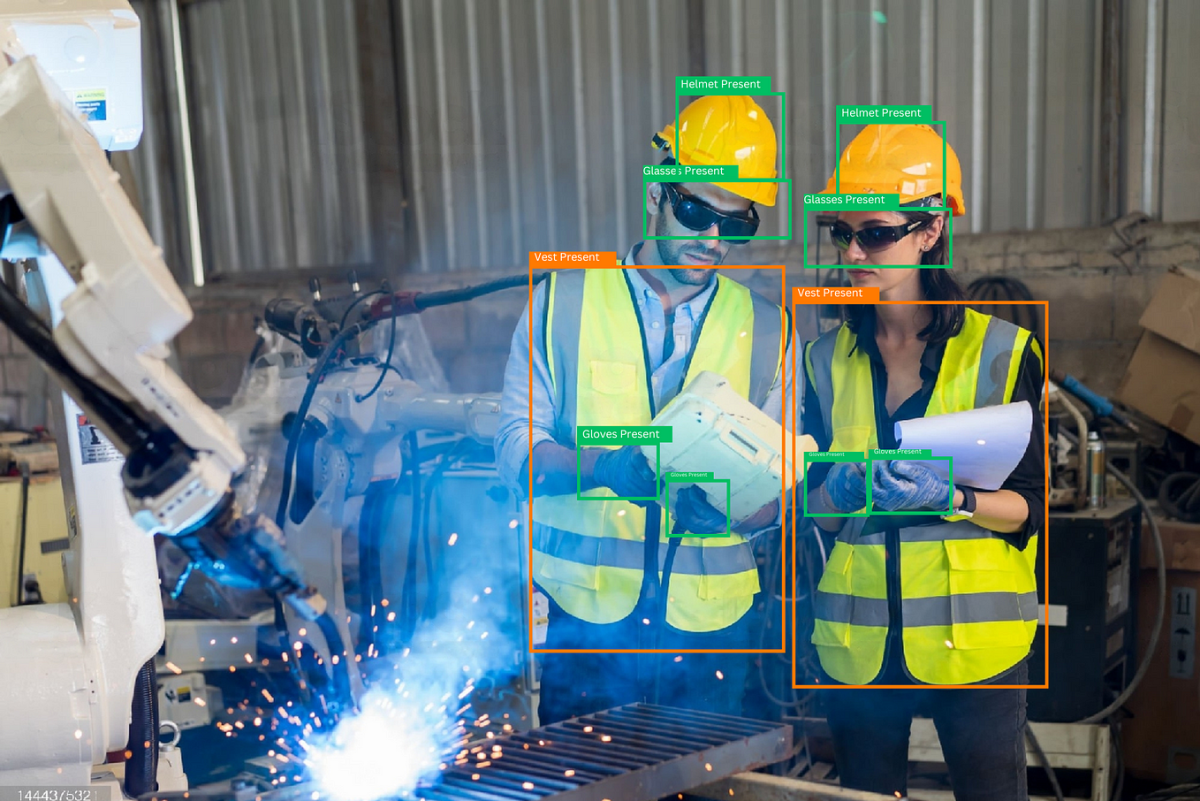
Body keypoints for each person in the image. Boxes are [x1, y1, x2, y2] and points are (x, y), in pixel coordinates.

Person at [494, 95, 796, 726]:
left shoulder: (767, 330)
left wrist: (735, 514)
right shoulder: (562, 303)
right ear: (657, 193)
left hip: (712, 632)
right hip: (588, 625)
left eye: (736, 224)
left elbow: (782, 493)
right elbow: (514, 455)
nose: (712, 241)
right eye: (694, 212)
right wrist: (605, 467)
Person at [802, 125, 1045, 801]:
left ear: (931, 230)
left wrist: (956, 497)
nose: (853, 252)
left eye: (875, 233)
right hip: (860, 647)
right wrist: (840, 491)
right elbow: (811, 509)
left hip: (976, 645)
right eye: (841, 233)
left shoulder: (999, 352)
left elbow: (1029, 507)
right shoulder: (822, 360)